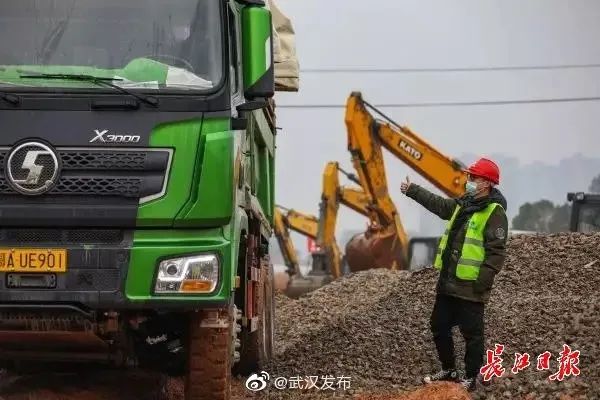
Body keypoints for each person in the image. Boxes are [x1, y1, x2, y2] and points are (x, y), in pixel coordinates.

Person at [400, 157, 508, 392]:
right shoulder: (463, 204)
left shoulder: (494, 212)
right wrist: (412, 190)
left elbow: (496, 253)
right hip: (448, 282)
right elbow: (439, 205)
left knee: (472, 334)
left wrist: (483, 282)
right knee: (438, 325)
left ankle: (470, 377)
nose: (469, 180)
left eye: (474, 177)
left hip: (471, 286)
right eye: (469, 176)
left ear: (487, 183)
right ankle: (449, 370)